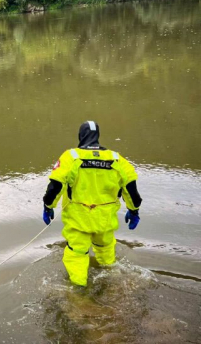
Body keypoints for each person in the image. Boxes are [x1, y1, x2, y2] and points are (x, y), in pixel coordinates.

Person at [42, 121, 142, 286]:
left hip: (78, 220)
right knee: (107, 254)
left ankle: (79, 291)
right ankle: (113, 283)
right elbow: (132, 190)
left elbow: (56, 185)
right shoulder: (116, 158)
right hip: (105, 220)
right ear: (98, 136)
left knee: (76, 255)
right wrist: (134, 210)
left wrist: (48, 206)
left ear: (80, 136)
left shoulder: (71, 156)